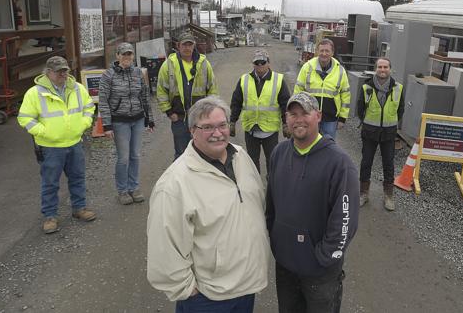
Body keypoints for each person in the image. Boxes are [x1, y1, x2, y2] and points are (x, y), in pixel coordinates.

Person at [147, 96, 270, 312]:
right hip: (208, 297)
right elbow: (165, 248)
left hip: (246, 286)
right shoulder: (175, 184)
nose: (217, 133)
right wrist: (188, 291)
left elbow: (257, 206)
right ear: (192, 131)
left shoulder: (241, 157)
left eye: (222, 125)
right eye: (207, 127)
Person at [266, 92, 359, 313]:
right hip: (286, 265)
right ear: (286, 118)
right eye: (292, 114)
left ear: (317, 116)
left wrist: (325, 257)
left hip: (320, 272)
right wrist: (276, 240)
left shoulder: (339, 163)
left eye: (304, 113)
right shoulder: (279, 153)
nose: (298, 119)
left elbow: (345, 220)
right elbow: (271, 204)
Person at [17, 56, 97, 234]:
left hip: (75, 142)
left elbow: (89, 107)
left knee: (78, 177)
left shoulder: (77, 88)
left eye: (65, 70)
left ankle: (79, 208)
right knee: (50, 183)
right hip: (50, 147)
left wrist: (83, 124)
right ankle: (50, 216)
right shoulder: (34, 93)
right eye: (58, 71)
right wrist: (43, 132)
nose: (63, 74)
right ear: (48, 72)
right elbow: (24, 118)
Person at [98, 42, 155, 205]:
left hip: (137, 120)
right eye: (124, 54)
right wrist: (107, 126)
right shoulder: (108, 75)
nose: (127, 57)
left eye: (129, 54)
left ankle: (134, 187)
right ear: (117, 56)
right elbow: (103, 102)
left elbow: (145, 96)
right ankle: (122, 191)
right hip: (119, 122)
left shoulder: (138, 73)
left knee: (135, 155)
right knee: (123, 158)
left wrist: (149, 119)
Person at [157, 31, 219, 159]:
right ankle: (180, 179)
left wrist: (209, 112)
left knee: (202, 152)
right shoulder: (168, 64)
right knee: (181, 155)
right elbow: (161, 90)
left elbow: (212, 88)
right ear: (178, 46)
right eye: (184, 45)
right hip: (179, 118)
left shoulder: (204, 63)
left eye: (190, 45)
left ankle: (199, 178)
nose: (187, 48)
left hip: (200, 118)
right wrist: (169, 112)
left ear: (194, 46)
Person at [229, 49, 290, 175]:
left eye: (263, 62)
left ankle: (272, 186)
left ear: (269, 63)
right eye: (257, 63)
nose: (260, 65)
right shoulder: (244, 80)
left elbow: (285, 104)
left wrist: (286, 124)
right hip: (251, 128)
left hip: (270, 130)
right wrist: (232, 122)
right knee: (252, 161)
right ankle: (254, 186)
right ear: (253, 64)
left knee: (272, 160)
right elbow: (236, 102)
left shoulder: (278, 80)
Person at [356, 57, 404, 211]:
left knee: (388, 164)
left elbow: (400, 110)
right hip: (370, 132)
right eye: (380, 67)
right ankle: (363, 193)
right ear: (375, 69)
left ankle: (388, 196)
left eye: (385, 67)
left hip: (389, 134)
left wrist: (390, 122)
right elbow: (360, 109)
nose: (382, 70)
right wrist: (369, 122)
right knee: (366, 163)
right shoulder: (366, 87)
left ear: (390, 69)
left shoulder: (398, 88)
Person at [294, 39, 350, 139]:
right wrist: (297, 113)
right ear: (317, 52)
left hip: (330, 118)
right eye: (321, 50)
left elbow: (345, 95)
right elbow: (298, 91)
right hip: (309, 115)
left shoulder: (340, 71)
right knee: (308, 144)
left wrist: (342, 118)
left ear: (332, 53)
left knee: (328, 148)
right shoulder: (307, 67)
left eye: (327, 51)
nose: (324, 54)